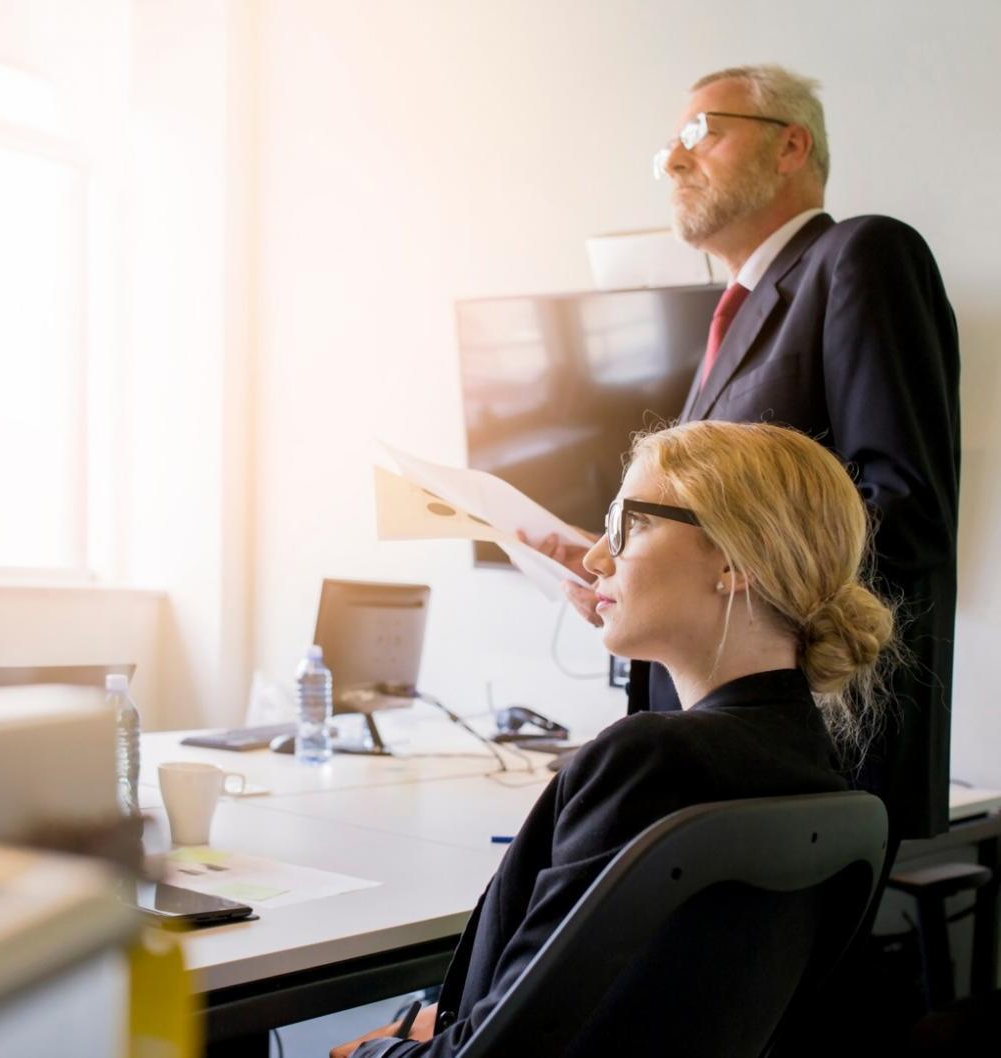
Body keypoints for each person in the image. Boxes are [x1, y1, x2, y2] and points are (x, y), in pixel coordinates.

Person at [334, 420, 895, 1058]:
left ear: (739, 560)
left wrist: (372, 1053)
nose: (597, 557)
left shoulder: (649, 761)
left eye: (630, 525)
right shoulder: (813, 766)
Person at [536, 64, 959, 842]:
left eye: (703, 133)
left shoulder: (861, 256)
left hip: (811, 743)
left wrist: (726, 552)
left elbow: (907, 507)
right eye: (669, 145)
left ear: (791, 145)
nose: (674, 161)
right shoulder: (730, 322)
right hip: (702, 739)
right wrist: (621, 561)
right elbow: (718, 528)